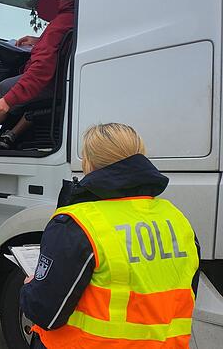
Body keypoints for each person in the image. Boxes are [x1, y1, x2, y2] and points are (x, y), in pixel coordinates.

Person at [20, 123, 200, 348]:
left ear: (89, 163)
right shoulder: (177, 219)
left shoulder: (77, 224)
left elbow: (45, 312)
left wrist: (30, 286)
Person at [0, 0, 76, 149]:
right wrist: (37, 41)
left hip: (52, 82)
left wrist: (7, 100)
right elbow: (59, 45)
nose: (39, 11)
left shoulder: (57, 26)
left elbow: (40, 71)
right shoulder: (71, 17)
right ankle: (10, 135)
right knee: (22, 88)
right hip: (62, 81)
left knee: (3, 88)